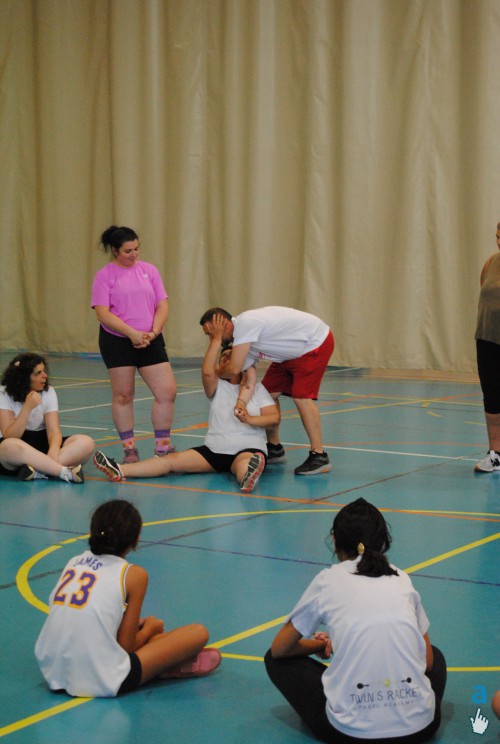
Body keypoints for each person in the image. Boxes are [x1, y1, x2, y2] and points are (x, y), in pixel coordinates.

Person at [265, 498, 447, 743]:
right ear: (382, 542)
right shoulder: (401, 577)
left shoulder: (328, 580)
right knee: (437, 657)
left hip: (351, 734)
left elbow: (280, 648)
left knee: (275, 659)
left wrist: (320, 645)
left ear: (334, 540)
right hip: (421, 729)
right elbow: (427, 660)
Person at [35, 499, 221, 697]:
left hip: (53, 671)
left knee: (149, 638)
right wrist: (149, 629)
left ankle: (159, 662)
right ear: (136, 540)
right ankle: (163, 669)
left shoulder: (74, 562)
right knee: (198, 633)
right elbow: (126, 647)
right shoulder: (135, 575)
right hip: (102, 679)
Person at [93, 316, 280, 493]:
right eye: (223, 357)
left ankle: (248, 476)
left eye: (231, 356)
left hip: (248, 449)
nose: (226, 359)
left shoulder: (257, 389)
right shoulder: (216, 385)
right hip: (213, 451)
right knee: (170, 461)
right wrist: (216, 339)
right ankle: (120, 469)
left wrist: (250, 419)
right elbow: (207, 372)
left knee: (244, 464)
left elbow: (274, 418)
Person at [199, 306, 334, 475]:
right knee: (268, 394)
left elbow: (233, 369)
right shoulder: (243, 341)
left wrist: (216, 361)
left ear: (222, 324)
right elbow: (248, 380)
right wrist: (241, 402)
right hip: (289, 354)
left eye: (211, 333)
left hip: (314, 343)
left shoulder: (246, 324)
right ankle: (274, 448)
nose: (212, 338)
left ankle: (319, 455)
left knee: (301, 397)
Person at [91, 225, 176, 464]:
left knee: (167, 392)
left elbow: (162, 305)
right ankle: (130, 450)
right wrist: (131, 334)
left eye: (136, 249)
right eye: (128, 251)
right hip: (117, 341)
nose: (134, 254)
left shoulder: (150, 270)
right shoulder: (104, 276)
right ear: (115, 250)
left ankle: (163, 447)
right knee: (123, 395)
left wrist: (153, 332)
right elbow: (102, 313)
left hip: (150, 339)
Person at [0, 353, 94, 483]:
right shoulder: (4, 393)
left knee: (86, 442)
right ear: (25, 377)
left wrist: (53, 451)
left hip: (43, 445)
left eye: (44, 371)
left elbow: (54, 432)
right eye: (38, 373)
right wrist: (27, 408)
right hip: (17, 449)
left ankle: (38, 470)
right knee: (8, 446)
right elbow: (10, 436)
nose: (45, 376)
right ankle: (63, 472)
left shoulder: (48, 392)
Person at [474, 221, 500, 472]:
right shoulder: (491, 262)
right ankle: (495, 455)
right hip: (488, 339)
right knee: (492, 397)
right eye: (498, 236)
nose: (499, 241)